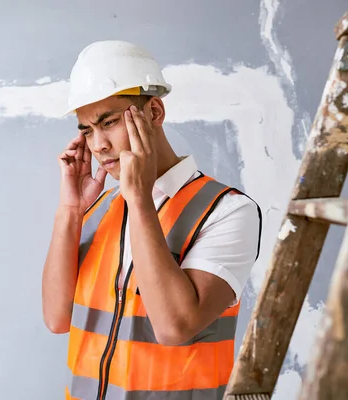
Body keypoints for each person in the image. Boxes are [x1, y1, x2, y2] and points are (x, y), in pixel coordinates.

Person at [42, 40, 262, 400]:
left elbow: (175, 327)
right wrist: (70, 210)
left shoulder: (227, 211)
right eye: (86, 130)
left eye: (109, 122)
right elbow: (56, 318)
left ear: (154, 112)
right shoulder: (100, 208)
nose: (98, 145)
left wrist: (140, 199)